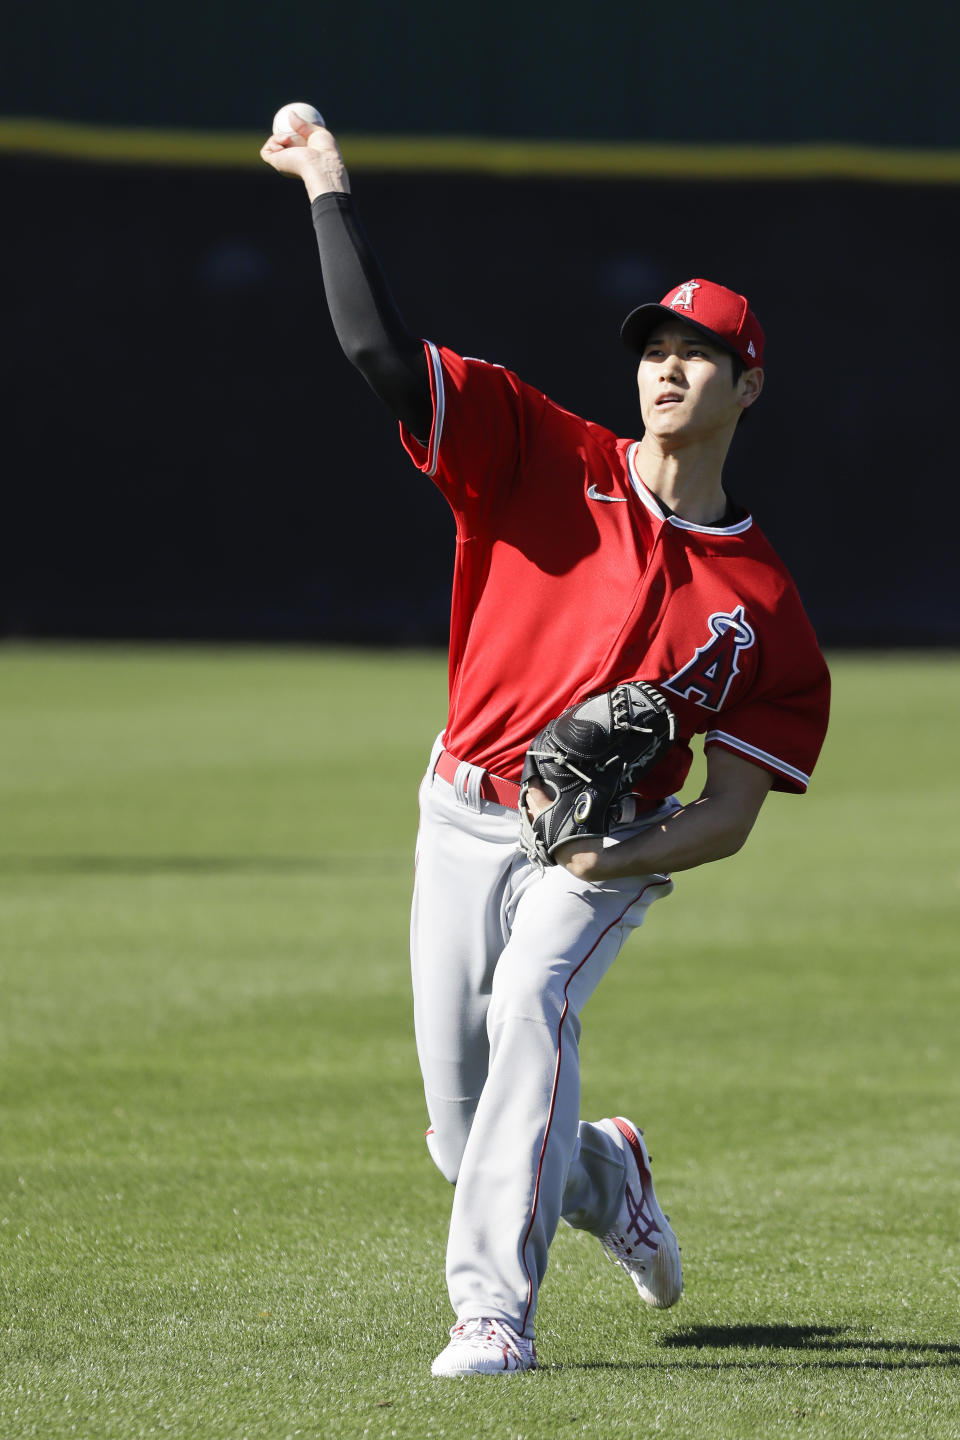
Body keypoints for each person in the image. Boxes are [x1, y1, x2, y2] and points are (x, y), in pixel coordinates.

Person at [260, 115, 831, 1378]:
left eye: (704, 353)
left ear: (750, 386)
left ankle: (491, 1316)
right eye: (657, 350)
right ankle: (606, 1170)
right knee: (465, 1140)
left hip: (602, 844)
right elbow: (375, 350)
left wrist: (609, 866)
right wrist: (326, 188)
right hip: (463, 813)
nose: (670, 369)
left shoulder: (763, 608)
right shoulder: (533, 450)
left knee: (533, 1001)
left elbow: (732, 810)